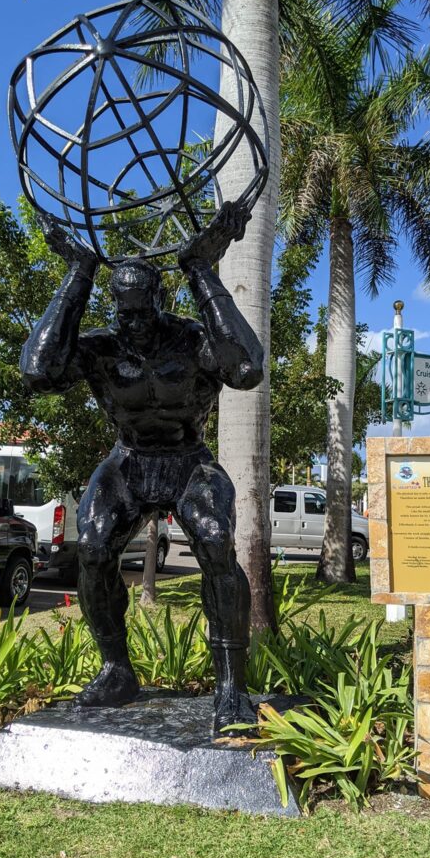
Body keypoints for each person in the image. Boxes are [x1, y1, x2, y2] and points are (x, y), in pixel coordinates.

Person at [20, 203, 263, 734]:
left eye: (139, 309)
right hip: (128, 462)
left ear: (158, 299)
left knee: (216, 538)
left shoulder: (194, 341)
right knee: (94, 546)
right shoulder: (103, 350)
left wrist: (200, 268)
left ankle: (230, 686)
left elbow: (245, 368)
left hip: (188, 461)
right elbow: (38, 372)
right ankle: (116, 669)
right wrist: (78, 272)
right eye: (121, 311)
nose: (130, 322)